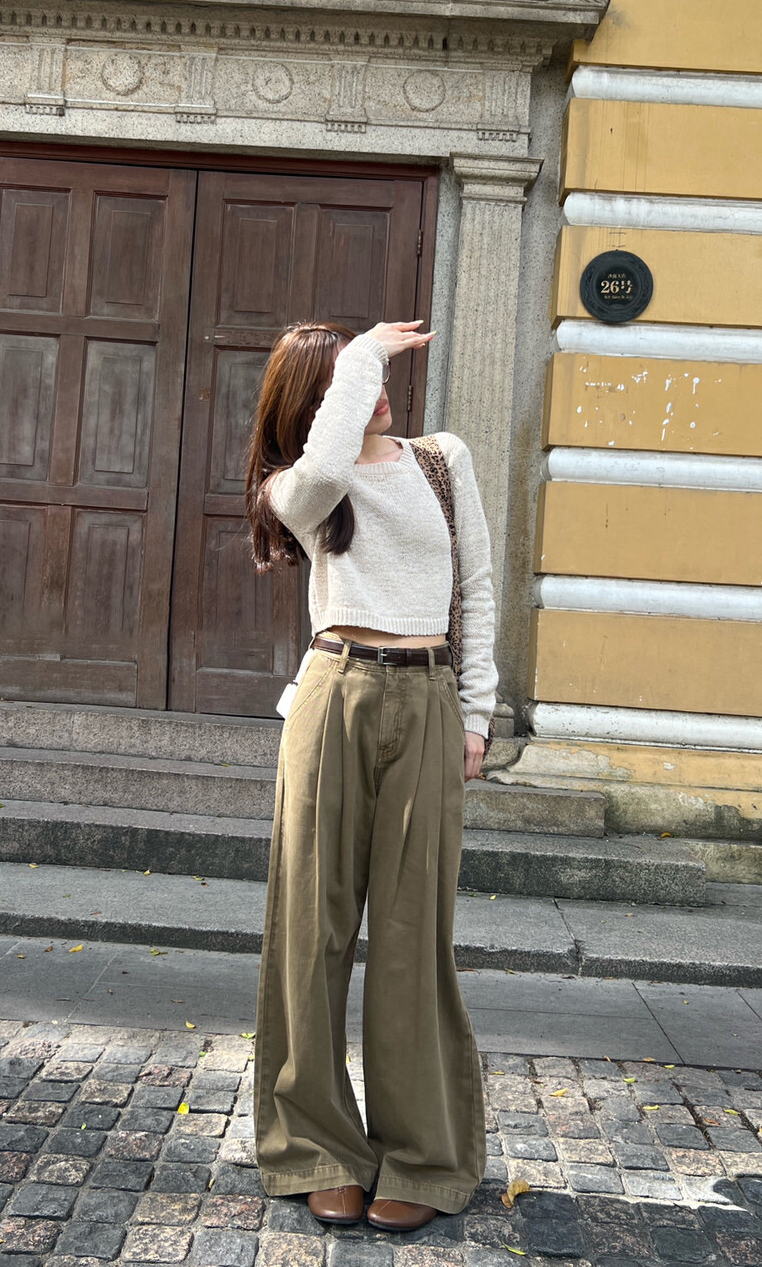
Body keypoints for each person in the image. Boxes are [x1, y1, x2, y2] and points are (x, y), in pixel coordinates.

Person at [245, 318, 497, 1231]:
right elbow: (320, 474)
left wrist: (477, 714)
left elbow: (476, 590)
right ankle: (315, 1146)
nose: (378, 390)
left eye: (376, 375)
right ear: (315, 406)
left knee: (411, 933)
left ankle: (423, 1155)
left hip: (428, 699)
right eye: (351, 383)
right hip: (334, 694)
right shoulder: (298, 487)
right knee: (309, 931)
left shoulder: (442, 462)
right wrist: (356, 359)